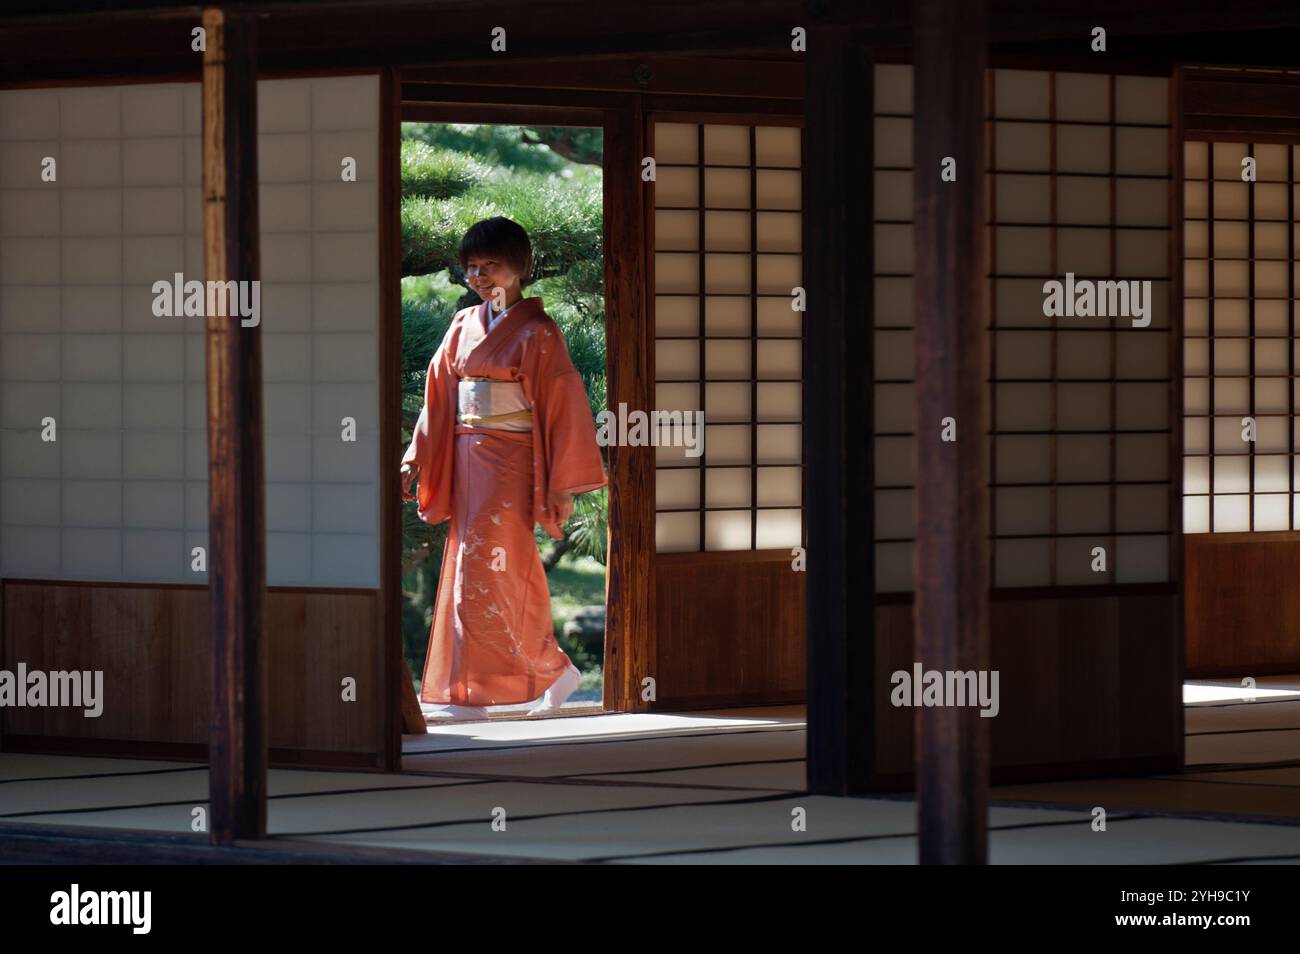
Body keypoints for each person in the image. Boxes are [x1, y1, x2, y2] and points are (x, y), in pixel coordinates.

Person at [401, 216, 607, 722]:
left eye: (491, 265)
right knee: (469, 565)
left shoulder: (539, 332)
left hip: (512, 462)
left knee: (496, 568)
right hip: (467, 454)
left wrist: (561, 482)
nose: (479, 276)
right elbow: (439, 397)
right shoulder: (461, 325)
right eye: (472, 267)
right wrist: (416, 453)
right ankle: (501, 681)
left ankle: (512, 680)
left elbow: (562, 406)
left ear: (520, 268)